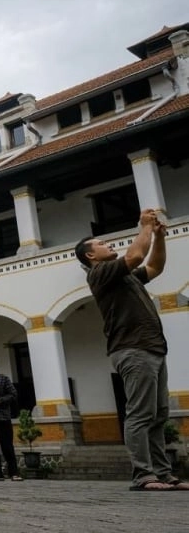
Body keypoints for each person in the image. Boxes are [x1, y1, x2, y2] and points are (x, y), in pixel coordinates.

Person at [75, 209, 188, 491]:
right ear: (91, 256)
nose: (109, 245)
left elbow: (154, 267)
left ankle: (164, 474)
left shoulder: (126, 278)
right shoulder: (101, 273)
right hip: (132, 349)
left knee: (159, 415)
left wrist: (159, 236)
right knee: (139, 414)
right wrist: (145, 227)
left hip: (152, 349)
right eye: (102, 244)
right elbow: (136, 255)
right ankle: (143, 475)